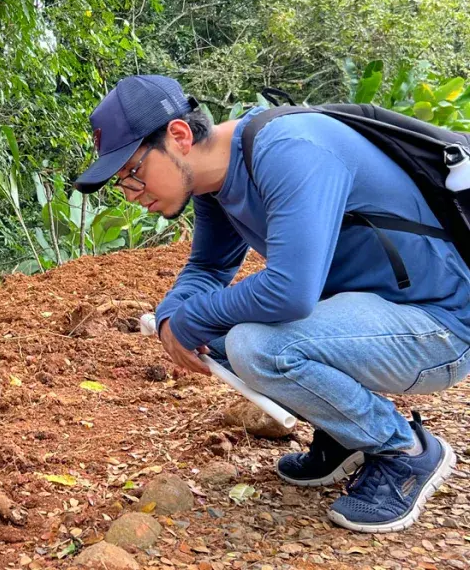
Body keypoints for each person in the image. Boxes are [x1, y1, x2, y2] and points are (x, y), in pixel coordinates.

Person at [73, 74, 470, 533]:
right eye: (122, 182)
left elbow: (290, 289)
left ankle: (406, 452)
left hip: (440, 326)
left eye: (134, 173)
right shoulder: (214, 184)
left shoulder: (289, 149)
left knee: (256, 346)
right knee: (220, 334)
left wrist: (191, 319)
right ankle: (347, 436)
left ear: (178, 136)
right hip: (373, 318)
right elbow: (206, 268)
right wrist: (170, 318)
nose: (133, 194)